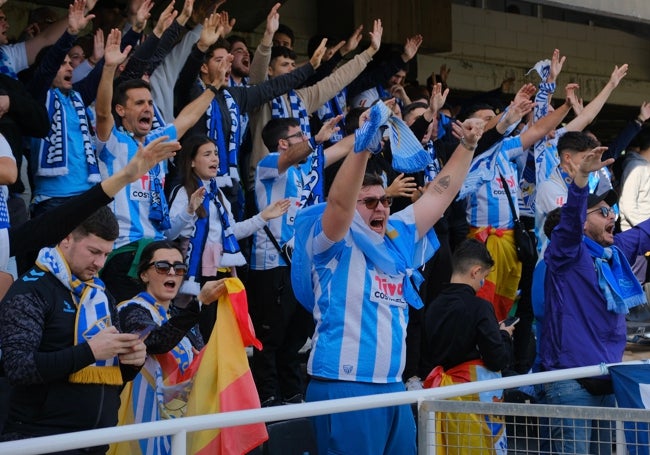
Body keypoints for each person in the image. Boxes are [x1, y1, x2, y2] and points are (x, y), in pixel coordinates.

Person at [291, 100, 485, 454]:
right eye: (369, 202)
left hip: (392, 386)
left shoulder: (396, 235)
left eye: (384, 200)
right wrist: (363, 145)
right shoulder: (332, 238)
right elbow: (338, 204)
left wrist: (468, 146)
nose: (380, 207)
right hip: (343, 384)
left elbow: (441, 194)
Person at [95, 27, 229, 302]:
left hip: (158, 249)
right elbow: (101, 112)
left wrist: (213, 88)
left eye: (150, 102)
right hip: (125, 252)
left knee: (158, 330)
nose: (148, 108)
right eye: (139, 103)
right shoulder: (112, 141)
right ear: (121, 110)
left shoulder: (156, 141)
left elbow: (187, 119)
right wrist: (109, 69)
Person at [0, 206, 147, 452]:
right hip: (41, 439)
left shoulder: (100, 292)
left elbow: (112, 372)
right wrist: (89, 351)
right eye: (93, 251)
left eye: (106, 254)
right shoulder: (31, 290)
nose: (99, 263)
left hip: (96, 439)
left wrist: (132, 361)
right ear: (66, 238)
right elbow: (17, 368)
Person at [541, 140, 650, 454]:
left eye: (612, 210)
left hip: (608, 379)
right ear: (583, 220)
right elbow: (569, 223)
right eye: (602, 211)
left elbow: (645, 232)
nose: (612, 216)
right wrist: (580, 183)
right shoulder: (566, 254)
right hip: (571, 381)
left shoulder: (612, 254)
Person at [248, 115, 350, 407]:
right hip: (271, 265)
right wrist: (315, 139)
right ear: (283, 143)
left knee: (295, 336)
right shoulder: (269, 163)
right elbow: (300, 152)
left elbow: (339, 150)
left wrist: (369, 126)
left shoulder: (305, 168)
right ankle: (268, 398)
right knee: (271, 337)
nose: (305, 138)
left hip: (299, 264)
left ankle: (292, 395)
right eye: (298, 135)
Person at [167, 135, 289, 341]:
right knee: (201, 332)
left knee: (220, 334)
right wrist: (189, 209)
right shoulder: (183, 191)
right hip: (198, 271)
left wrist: (263, 217)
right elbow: (170, 232)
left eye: (216, 153)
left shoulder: (218, 195)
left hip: (222, 271)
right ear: (192, 161)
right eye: (207, 154)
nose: (215, 159)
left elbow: (232, 232)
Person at [113, 240, 227, 454]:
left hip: (178, 424)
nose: (172, 272)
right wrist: (200, 302)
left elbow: (198, 356)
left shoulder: (178, 316)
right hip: (140, 426)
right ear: (144, 274)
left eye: (179, 267)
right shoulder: (130, 310)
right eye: (163, 267)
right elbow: (156, 341)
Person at [422, 238, 514, 453]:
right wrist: (504, 335)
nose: (484, 281)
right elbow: (497, 359)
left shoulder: (432, 306)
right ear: (475, 271)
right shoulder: (480, 307)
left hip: (438, 398)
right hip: (473, 395)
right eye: (485, 276)